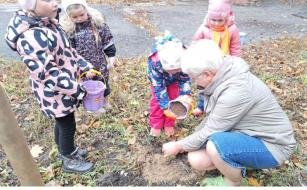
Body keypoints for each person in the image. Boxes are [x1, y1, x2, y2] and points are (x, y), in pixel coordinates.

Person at [162, 40, 296, 187]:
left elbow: (211, 130)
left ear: (207, 74)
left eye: (194, 78)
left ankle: (235, 181)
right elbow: (213, 119)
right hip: (247, 135)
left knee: (215, 145)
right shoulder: (222, 71)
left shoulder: (235, 91)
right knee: (196, 159)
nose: (194, 82)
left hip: (272, 146)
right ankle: (240, 161)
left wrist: (179, 146)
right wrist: (188, 143)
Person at [6, 0, 98, 174]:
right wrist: (77, 90)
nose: (56, 3)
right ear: (31, 5)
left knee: (63, 123)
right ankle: (69, 160)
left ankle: (64, 152)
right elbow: (46, 73)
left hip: (65, 88)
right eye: (48, 0)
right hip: (55, 93)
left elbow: (69, 53)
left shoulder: (50, 24)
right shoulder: (31, 36)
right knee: (67, 125)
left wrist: (85, 66)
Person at [60, 0, 117, 115]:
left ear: (86, 11)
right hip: (83, 64)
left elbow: (107, 40)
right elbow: (70, 51)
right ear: (68, 16)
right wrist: (82, 67)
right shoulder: (70, 30)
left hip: (99, 61)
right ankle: (92, 106)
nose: (79, 19)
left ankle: (103, 100)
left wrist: (111, 56)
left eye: (81, 15)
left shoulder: (98, 24)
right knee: (88, 85)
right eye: (75, 17)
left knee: (102, 80)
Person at [192, 0, 242, 116]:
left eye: (220, 20)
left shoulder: (232, 30)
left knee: (220, 86)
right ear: (209, 18)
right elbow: (195, 44)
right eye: (213, 20)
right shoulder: (203, 29)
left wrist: (237, 63)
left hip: (223, 64)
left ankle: (217, 107)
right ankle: (202, 105)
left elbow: (235, 47)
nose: (216, 23)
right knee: (204, 85)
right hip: (205, 64)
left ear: (227, 18)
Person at [148, 31, 193, 136]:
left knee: (174, 98)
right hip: (158, 80)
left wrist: (186, 96)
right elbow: (159, 88)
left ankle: (169, 123)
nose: (172, 73)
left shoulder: (185, 61)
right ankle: (156, 124)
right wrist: (164, 107)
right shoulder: (156, 63)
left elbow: (185, 80)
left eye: (175, 70)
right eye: (169, 70)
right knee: (157, 101)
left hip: (174, 81)